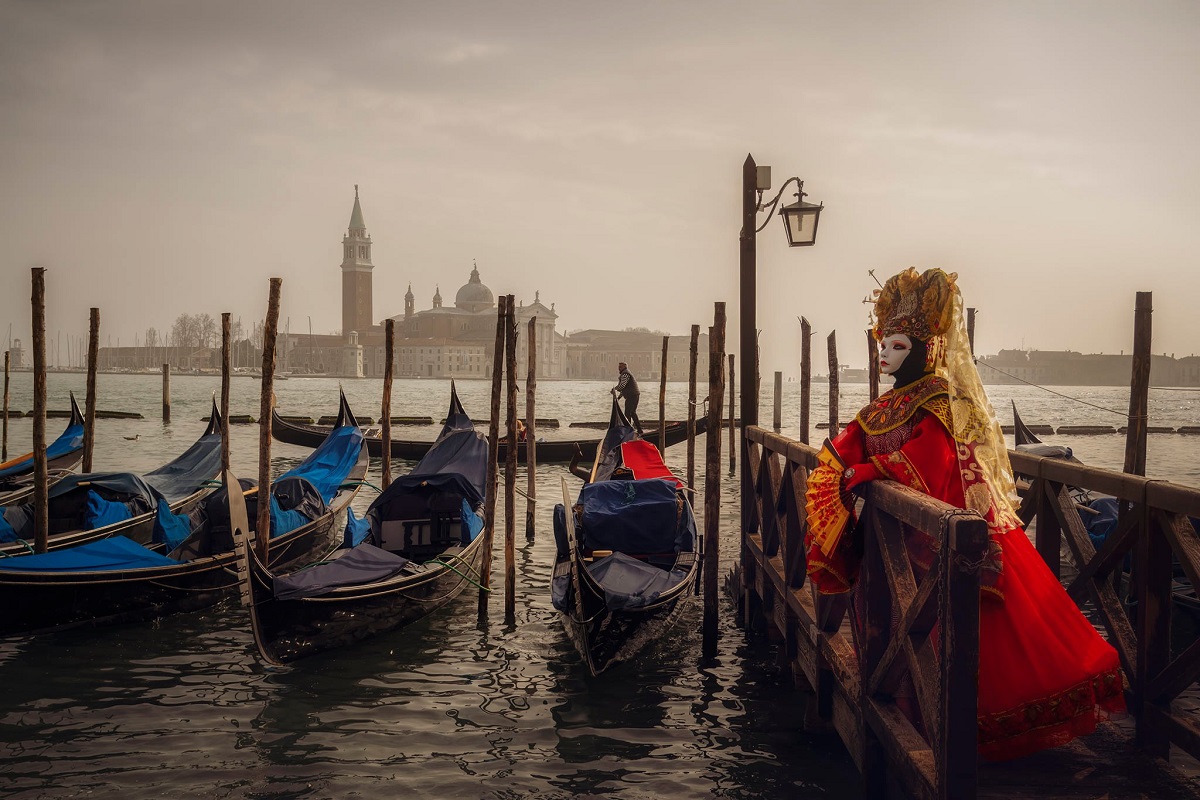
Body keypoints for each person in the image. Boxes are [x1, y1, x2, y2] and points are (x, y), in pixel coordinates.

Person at [804, 267, 1125, 762]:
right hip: (893, 542)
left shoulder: (941, 404)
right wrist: (837, 469)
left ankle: (948, 730)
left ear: (927, 350)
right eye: (882, 345)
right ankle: (906, 711)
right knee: (898, 632)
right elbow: (847, 444)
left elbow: (936, 463)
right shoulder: (886, 405)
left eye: (896, 346)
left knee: (947, 633)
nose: (883, 355)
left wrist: (874, 469)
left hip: (935, 540)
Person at [611, 361, 643, 435]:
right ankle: (638, 430)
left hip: (632, 396)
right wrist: (618, 398)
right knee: (632, 413)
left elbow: (622, 386)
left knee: (628, 413)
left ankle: (629, 431)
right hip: (634, 395)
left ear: (624, 367)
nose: (619, 368)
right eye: (618, 367)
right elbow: (624, 389)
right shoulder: (626, 373)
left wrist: (614, 389)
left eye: (620, 367)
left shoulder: (625, 374)